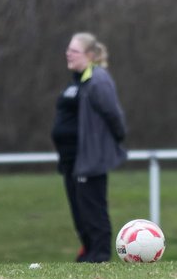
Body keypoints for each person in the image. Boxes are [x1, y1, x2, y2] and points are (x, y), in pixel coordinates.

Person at [50, 32, 127, 262]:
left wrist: (111, 141)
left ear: (90, 55)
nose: (68, 54)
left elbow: (113, 115)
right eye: (68, 50)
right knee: (79, 211)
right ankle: (88, 251)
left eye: (74, 51)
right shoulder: (77, 80)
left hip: (89, 159)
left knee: (93, 209)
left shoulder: (98, 79)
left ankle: (100, 255)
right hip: (70, 160)